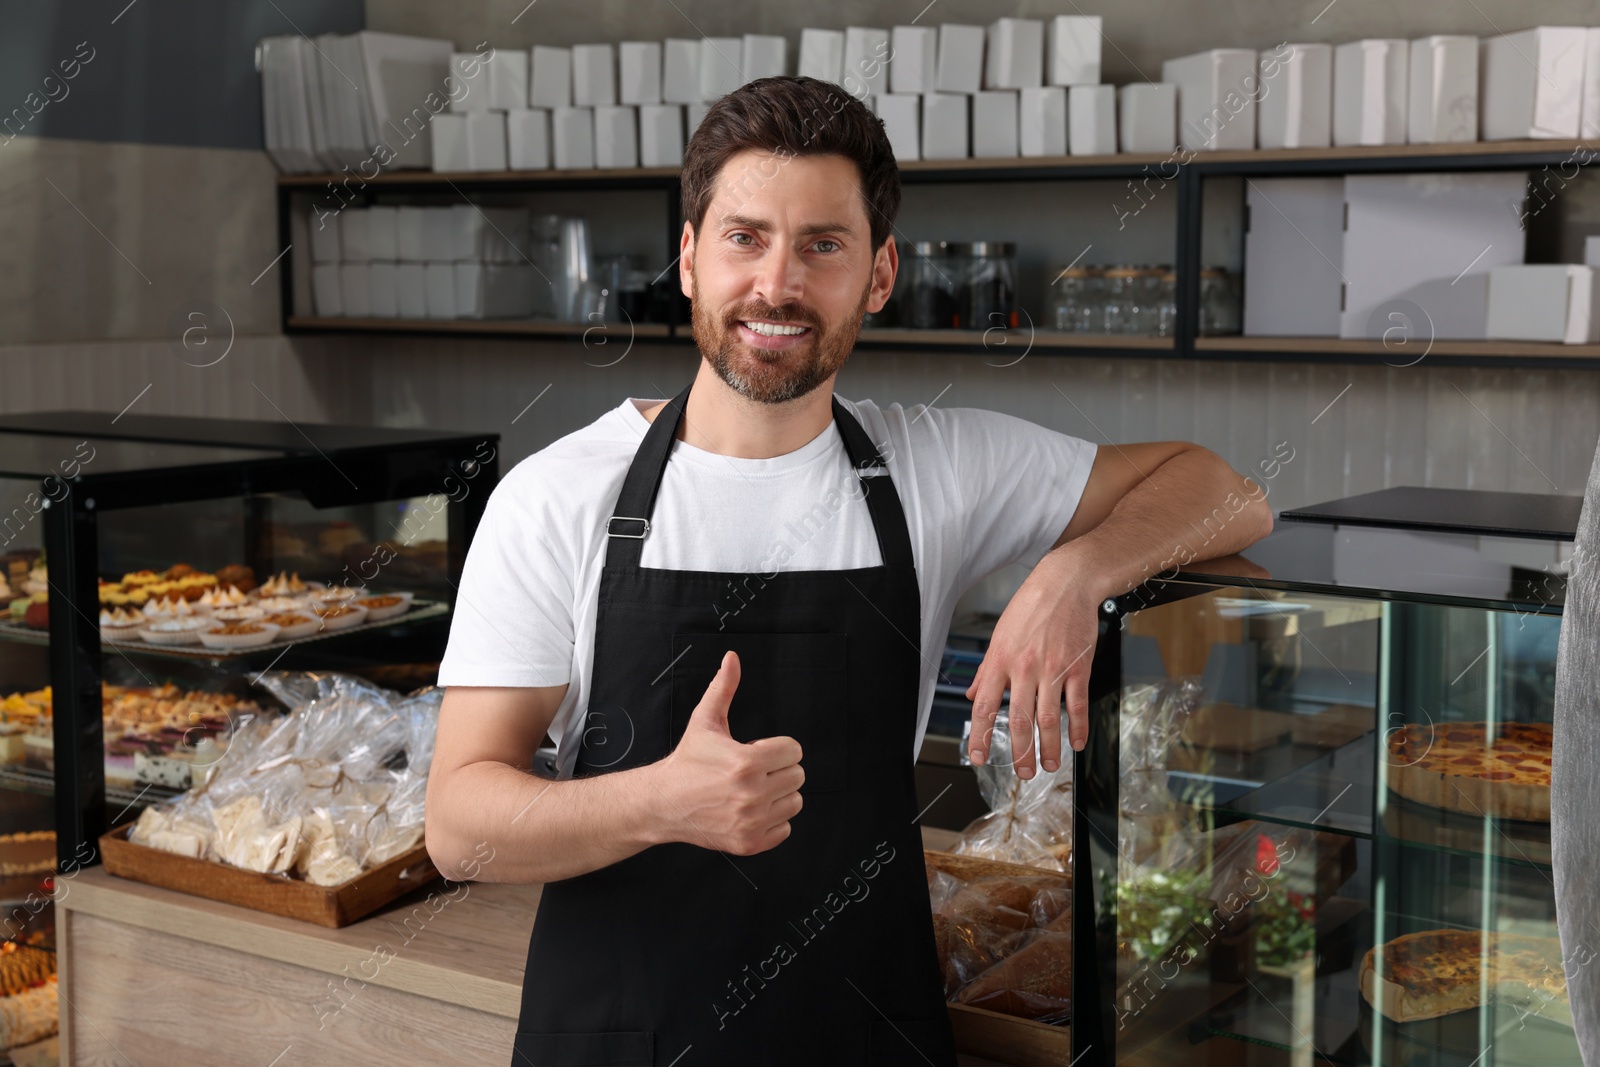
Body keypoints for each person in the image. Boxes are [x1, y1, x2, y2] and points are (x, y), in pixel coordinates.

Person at [425, 75, 1272, 1066]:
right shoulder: (557, 495)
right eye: (745, 237)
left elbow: (1223, 489)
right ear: (690, 259)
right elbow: (458, 826)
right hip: (621, 1036)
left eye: (821, 244)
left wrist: (1073, 574)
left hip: (865, 1035)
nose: (776, 283)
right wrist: (660, 800)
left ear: (877, 274)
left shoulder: (936, 466)